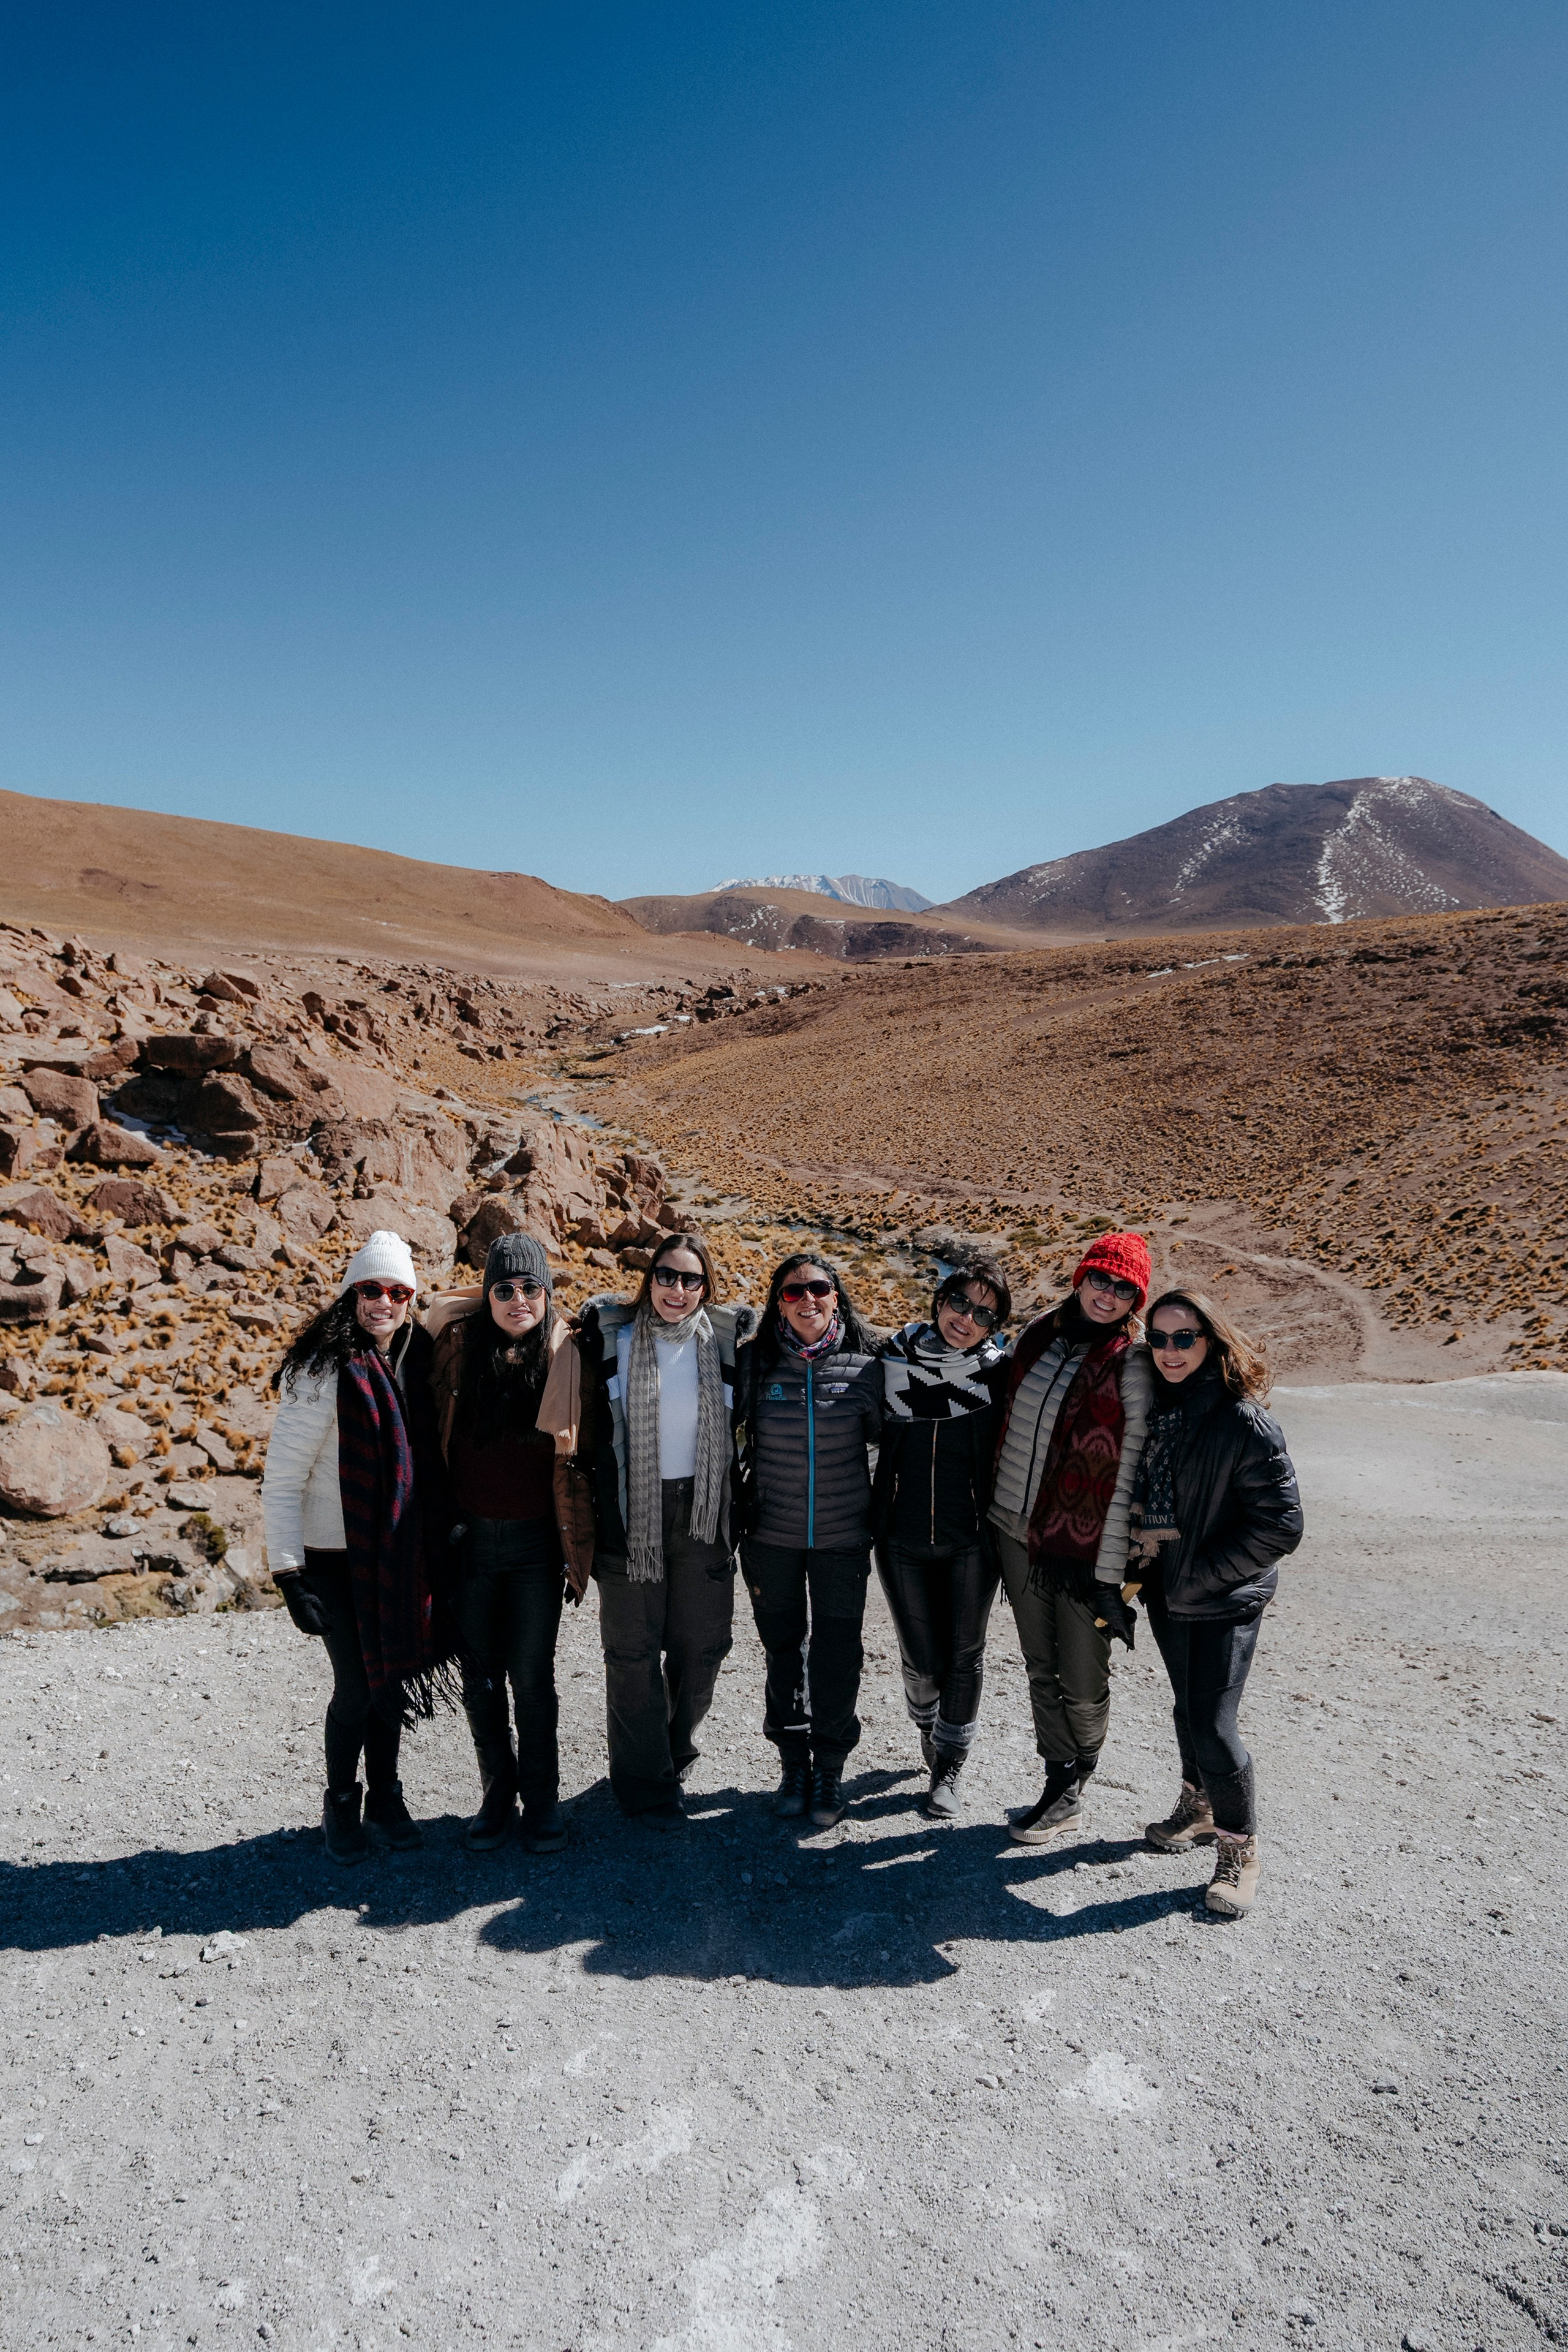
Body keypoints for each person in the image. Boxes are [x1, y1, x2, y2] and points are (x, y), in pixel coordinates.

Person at [262, 1231, 450, 1865]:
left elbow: (465, 1308)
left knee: (390, 1681)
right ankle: (342, 1801)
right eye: (371, 1289)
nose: (384, 1303)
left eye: (398, 1293)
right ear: (350, 1294)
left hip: (393, 1553)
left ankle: (387, 1797)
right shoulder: (321, 1371)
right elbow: (283, 1480)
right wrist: (289, 1575)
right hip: (334, 1559)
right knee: (356, 1688)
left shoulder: (409, 1361)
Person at [563, 1232, 755, 1829]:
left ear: (707, 1286)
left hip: (702, 1518)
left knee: (703, 1650)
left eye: (691, 1279)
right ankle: (644, 1783)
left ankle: (672, 1750)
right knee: (631, 1655)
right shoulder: (611, 1337)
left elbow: (810, 1326)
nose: (677, 1289)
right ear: (648, 1279)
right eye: (666, 1276)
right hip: (629, 1518)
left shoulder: (728, 1341)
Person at [1133, 1289, 1303, 1918]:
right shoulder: (1157, 1407)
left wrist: (1203, 1575)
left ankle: (1239, 1850)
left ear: (1212, 1342)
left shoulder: (1243, 1421)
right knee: (1187, 1706)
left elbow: (1281, 1526)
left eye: (1185, 1338)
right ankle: (1198, 1808)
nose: (1171, 1351)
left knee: (1213, 1723)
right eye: (1160, 1338)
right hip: (1169, 1589)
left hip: (1221, 1597)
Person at [428, 1232, 594, 1855]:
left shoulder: (569, 1354)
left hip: (534, 1550)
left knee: (532, 1678)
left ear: (546, 1293)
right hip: (470, 1544)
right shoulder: (456, 1349)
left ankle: (543, 1799)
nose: (518, 1299)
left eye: (530, 1287)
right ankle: (497, 1792)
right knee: (480, 1679)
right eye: (504, 1288)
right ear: (487, 1295)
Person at [989, 1231, 1154, 1845]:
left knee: (1083, 1670)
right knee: (1038, 1661)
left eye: (1122, 1287)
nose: (1106, 1294)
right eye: (1099, 1279)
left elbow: (1133, 1462)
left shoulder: (1131, 1363)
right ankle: (1060, 1783)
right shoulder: (1038, 1335)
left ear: (1135, 1297)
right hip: (1012, 1527)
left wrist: (1112, 1566)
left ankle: (1083, 1763)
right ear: (1080, 1277)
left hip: (1086, 1548)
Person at [733, 1253, 883, 1829]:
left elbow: (888, 1445)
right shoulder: (755, 1364)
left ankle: (831, 1767)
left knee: (839, 1655)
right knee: (782, 1651)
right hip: (770, 1536)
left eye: (819, 1288)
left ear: (836, 1295)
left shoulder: (869, 1366)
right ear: (779, 1302)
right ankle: (794, 1761)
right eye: (794, 1292)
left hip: (844, 1536)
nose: (808, 1300)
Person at [873, 1257, 1012, 1817]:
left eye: (984, 1313)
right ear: (939, 1301)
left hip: (971, 1539)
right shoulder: (890, 1359)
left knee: (965, 1655)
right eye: (960, 1302)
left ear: (994, 1325)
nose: (967, 1318)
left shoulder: (1000, 1373)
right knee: (922, 1659)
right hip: (900, 1535)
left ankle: (949, 1763)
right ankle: (928, 1725)